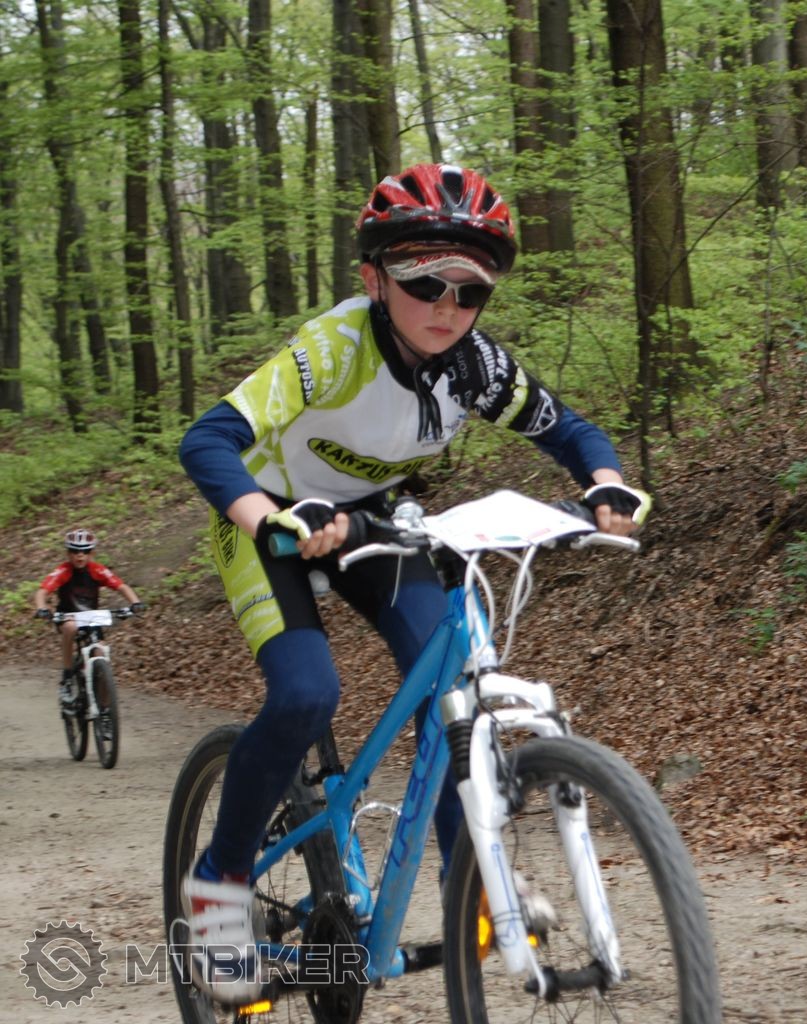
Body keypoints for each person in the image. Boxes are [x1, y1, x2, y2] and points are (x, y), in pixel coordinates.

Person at [176, 162, 650, 1004]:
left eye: (471, 291)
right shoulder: (333, 349)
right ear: (374, 280)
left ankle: (469, 880)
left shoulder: (477, 366)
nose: (446, 306)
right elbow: (206, 439)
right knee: (306, 694)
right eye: (424, 282)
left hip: (372, 520)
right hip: (270, 516)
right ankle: (219, 883)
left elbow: (570, 431)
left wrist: (605, 485)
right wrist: (266, 519)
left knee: (451, 680)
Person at [32, 528, 145, 705]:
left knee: (100, 651)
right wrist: (42, 608)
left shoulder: (97, 570)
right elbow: (42, 591)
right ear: (68, 553)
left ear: (91, 553)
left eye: (85, 551)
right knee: (71, 627)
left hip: (91, 617)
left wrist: (135, 603)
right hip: (67, 616)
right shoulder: (63, 571)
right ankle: (67, 677)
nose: (80, 555)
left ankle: (105, 707)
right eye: (75, 551)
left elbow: (121, 586)